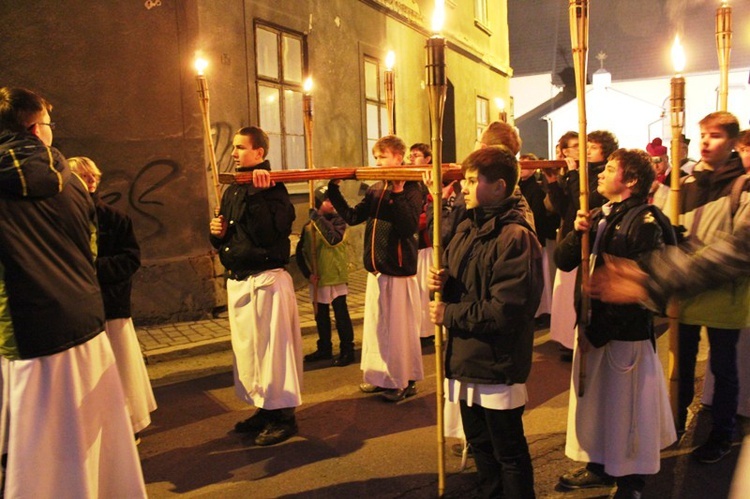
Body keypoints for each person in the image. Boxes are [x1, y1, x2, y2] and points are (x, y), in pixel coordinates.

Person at [0, 87, 146, 497]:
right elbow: (90, 249)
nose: (52, 131)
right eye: (48, 123)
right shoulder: (71, 183)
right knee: (93, 452)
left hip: (30, 334)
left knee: (45, 463)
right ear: (33, 127)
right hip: (85, 324)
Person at [554, 148, 676, 498]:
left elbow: (644, 284)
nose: (600, 174)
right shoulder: (596, 214)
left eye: (609, 169)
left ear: (632, 180)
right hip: (594, 326)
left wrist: (604, 331)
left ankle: (630, 482)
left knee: (628, 410)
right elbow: (564, 262)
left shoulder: (646, 221)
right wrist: (577, 232)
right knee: (599, 405)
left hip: (625, 334)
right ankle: (599, 466)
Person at [429, 145, 543, 498]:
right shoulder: (467, 225)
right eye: (464, 179)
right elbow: (466, 281)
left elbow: (506, 309)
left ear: (499, 186)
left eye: (472, 180)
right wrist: (443, 282)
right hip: (465, 356)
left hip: (496, 360)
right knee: (480, 445)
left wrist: (449, 313)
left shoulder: (516, 237)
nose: (464, 186)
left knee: (508, 451)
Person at [209, 126, 302, 446]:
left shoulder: (274, 189)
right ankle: (264, 408)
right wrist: (216, 233)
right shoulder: (234, 188)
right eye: (233, 147)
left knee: (273, 354)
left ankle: (284, 416)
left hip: (266, 282)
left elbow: (270, 235)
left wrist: (261, 196)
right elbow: (230, 232)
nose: (233, 153)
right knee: (251, 355)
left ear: (259, 153)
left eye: (240, 148)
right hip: (240, 280)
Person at [669, 111, 749, 463]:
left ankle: (721, 433)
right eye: (702, 134)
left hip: (724, 297)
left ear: (732, 142)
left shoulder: (743, 186)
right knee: (681, 364)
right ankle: (675, 419)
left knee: (723, 368)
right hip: (686, 295)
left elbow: (737, 248)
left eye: (715, 135)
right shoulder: (686, 183)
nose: (705, 141)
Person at [327, 135, 423, 402]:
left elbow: (408, 227)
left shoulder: (414, 187)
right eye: (376, 156)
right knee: (379, 329)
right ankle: (381, 376)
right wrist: (333, 190)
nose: (377, 161)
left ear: (398, 157)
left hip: (398, 269)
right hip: (376, 269)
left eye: (383, 156)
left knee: (398, 332)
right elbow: (353, 217)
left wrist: (399, 193)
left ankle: (404, 380)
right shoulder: (375, 187)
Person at [68, 156, 157, 441]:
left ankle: (127, 425)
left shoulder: (114, 218)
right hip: (80, 310)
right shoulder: (65, 220)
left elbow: (130, 259)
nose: (91, 181)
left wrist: (92, 268)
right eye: (83, 176)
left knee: (120, 370)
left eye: (94, 175)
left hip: (112, 305)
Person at [546, 130, 616, 358]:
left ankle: (578, 341)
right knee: (567, 296)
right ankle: (567, 339)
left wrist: (575, 174)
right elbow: (563, 206)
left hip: (589, 241)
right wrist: (553, 182)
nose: (586, 151)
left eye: (592, 148)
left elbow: (585, 202)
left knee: (580, 296)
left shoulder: (599, 175)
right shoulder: (582, 172)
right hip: (572, 236)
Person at [296, 185, 355, 367]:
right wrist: (308, 274)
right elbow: (300, 252)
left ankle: (347, 350)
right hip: (318, 278)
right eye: (329, 200)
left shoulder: (340, 222)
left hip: (335, 276)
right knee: (320, 316)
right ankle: (324, 348)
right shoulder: (309, 227)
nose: (333, 203)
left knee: (341, 314)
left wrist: (318, 218)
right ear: (320, 202)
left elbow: (333, 239)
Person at [409, 142, 436, 346]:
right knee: (416, 291)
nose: (411, 159)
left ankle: (429, 330)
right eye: (410, 155)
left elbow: (429, 212)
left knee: (426, 289)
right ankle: (419, 329)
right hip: (414, 246)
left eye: (416, 155)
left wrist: (412, 222)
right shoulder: (411, 181)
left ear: (428, 159)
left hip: (427, 244)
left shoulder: (430, 182)